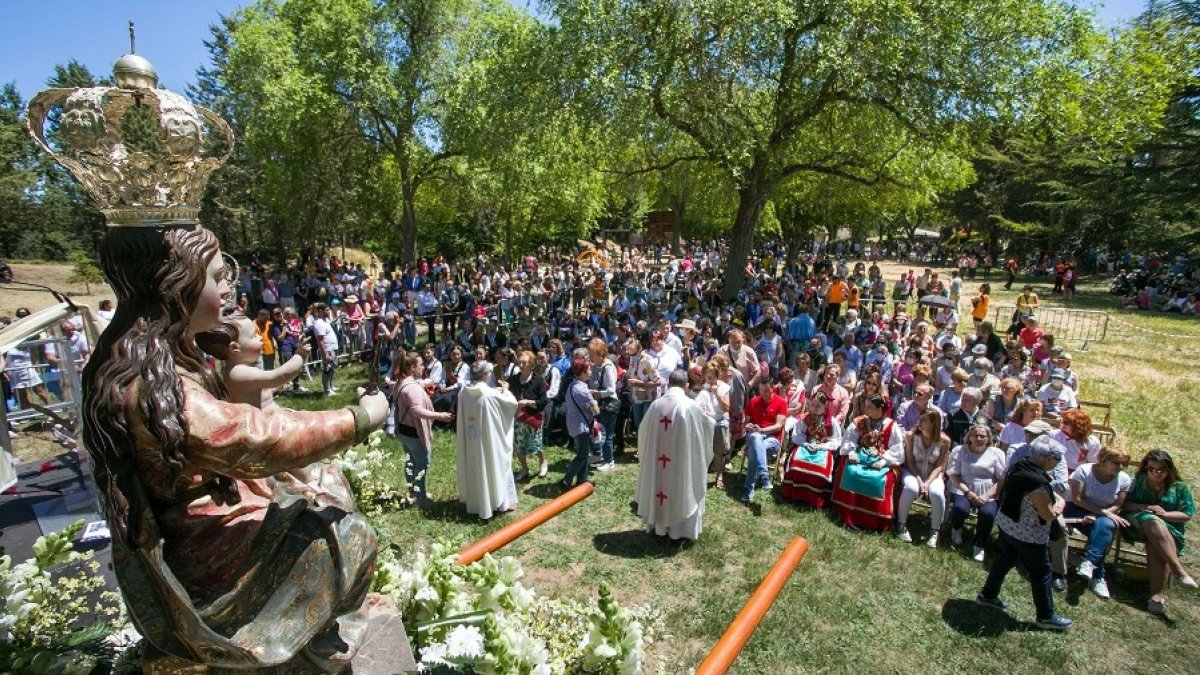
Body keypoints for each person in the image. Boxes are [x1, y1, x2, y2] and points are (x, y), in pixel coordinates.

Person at [83, 226, 390, 669]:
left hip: (212, 507)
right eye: (215, 275)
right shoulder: (146, 388)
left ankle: (309, 631)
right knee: (349, 534)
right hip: (201, 548)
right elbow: (250, 438)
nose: (229, 285)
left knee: (323, 481)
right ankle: (293, 644)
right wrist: (359, 419)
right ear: (174, 287)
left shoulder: (153, 354)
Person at [976, 435, 1074, 632]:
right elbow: (1047, 514)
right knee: (1042, 574)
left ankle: (987, 595)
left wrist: (1053, 497)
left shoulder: (1020, 465)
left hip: (1007, 525)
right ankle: (1046, 616)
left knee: (1003, 561)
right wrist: (1060, 505)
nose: (1058, 463)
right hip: (1028, 535)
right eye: (1057, 459)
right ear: (1048, 459)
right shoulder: (1037, 484)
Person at [635, 370, 715, 540]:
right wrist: (711, 421)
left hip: (658, 462)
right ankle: (679, 530)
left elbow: (642, 431)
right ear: (686, 386)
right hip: (681, 461)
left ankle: (659, 527)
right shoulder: (690, 406)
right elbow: (706, 429)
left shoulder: (655, 405)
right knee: (681, 485)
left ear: (669, 384)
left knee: (660, 484)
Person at [1122, 449, 1197, 616]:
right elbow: (1124, 505)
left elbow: (1187, 514)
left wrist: (1164, 514)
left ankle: (1156, 596)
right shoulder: (1136, 481)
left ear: (1168, 469)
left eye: (1161, 469)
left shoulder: (1179, 487)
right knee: (1153, 522)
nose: (1156, 473)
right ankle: (1177, 570)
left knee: (1154, 540)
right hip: (1136, 522)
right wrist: (1147, 508)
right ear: (1146, 468)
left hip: (1168, 527)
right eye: (1151, 469)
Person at [1064, 447, 1132, 600]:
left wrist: (1101, 513)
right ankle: (1098, 577)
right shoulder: (1084, 471)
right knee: (1103, 534)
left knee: (1104, 527)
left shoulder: (1124, 479)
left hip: (1103, 515)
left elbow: (1118, 505)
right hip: (1077, 509)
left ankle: (1089, 562)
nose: (1120, 467)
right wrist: (1103, 512)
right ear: (1103, 460)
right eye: (1116, 463)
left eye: (1124, 463)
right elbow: (1077, 499)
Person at [455, 360, 519, 519]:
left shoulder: (464, 391)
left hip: (471, 441)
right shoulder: (489, 394)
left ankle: (476, 503)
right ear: (485, 375)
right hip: (489, 442)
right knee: (495, 465)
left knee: (474, 466)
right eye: (489, 373)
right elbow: (511, 404)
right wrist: (505, 390)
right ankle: (501, 503)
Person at [831, 393, 903, 531]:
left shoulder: (891, 426)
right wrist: (852, 452)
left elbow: (897, 451)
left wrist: (883, 461)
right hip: (860, 458)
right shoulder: (859, 422)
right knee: (851, 472)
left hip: (882, 461)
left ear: (879, 409)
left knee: (879, 479)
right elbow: (849, 440)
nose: (866, 410)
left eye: (869, 407)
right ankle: (849, 515)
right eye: (866, 406)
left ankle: (875, 521)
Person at [394, 353, 453, 508]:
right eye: (420, 364)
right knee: (421, 463)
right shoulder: (412, 388)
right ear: (412, 367)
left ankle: (414, 492)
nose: (423, 367)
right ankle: (420, 498)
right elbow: (417, 411)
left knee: (410, 461)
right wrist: (439, 415)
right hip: (413, 432)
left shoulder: (400, 383)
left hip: (404, 430)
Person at [947, 423, 1008, 562]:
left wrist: (987, 496)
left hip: (988, 490)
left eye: (983, 436)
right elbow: (953, 475)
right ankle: (956, 529)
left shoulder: (997, 453)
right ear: (969, 437)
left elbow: (1001, 479)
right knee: (960, 509)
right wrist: (967, 492)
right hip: (962, 487)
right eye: (976, 435)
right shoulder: (959, 450)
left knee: (988, 513)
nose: (979, 438)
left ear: (988, 439)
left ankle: (979, 544)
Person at [896, 409, 950, 546]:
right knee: (910, 488)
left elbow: (940, 466)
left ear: (933, 423)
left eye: (924, 420)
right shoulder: (911, 436)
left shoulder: (944, 441)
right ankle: (901, 524)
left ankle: (934, 531)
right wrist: (920, 480)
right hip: (913, 470)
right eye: (920, 418)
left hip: (933, 474)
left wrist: (928, 482)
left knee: (937, 493)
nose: (919, 422)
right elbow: (909, 461)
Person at [780, 391, 841, 508]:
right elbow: (797, 435)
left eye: (818, 406)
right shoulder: (805, 418)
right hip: (805, 446)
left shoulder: (831, 422)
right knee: (797, 460)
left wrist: (821, 446)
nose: (814, 408)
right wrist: (806, 444)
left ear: (825, 407)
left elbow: (836, 441)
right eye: (813, 405)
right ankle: (795, 493)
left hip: (823, 449)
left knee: (822, 466)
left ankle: (814, 498)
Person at [740, 376, 788, 503]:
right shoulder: (753, 401)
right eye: (761, 390)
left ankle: (748, 488)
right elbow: (746, 423)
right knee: (755, 438)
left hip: (772, 439)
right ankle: (764, 476)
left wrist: (761, 430)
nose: (763, 394)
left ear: (773, 388)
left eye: (766, 390)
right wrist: (748, 426)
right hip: (754, 435)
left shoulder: (781, 402)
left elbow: (779, 426)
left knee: (754, 451)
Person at [560, 357, 600, 490]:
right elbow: (596, 410)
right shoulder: (583, 390)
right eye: (588, 370)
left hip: (573, 424)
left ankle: (582, 480)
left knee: (583, 453)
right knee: (582, 455)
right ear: (582, 373)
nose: (590, 372)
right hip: (581, 427)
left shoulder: (572, 385)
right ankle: (566, 480)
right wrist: (595, 400)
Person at [510, 351, 549, 481]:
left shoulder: (538, 380)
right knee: (519, 445)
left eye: (524, 363)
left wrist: (527, 402)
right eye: (519, 362)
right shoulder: (514, 379)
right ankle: (524, 469)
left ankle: (543, 462)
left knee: (535, 445)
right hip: (518, 418)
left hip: (533, 417)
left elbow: (544, 401)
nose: (521, 365)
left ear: (532, 364)